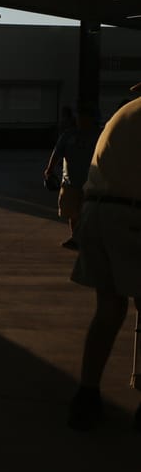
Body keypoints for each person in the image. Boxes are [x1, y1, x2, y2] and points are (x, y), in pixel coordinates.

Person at [66, 84, 141, 432]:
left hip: (96, 214)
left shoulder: (123, 114)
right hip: (131, 217)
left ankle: (87, 394)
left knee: (109, 310)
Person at [43, 103, 100, 250]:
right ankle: (76, 237)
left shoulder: (98, 136)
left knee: (86, 212)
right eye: (80, 117)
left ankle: (84, 238)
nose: (81, 120)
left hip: (91, 181)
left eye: (85, 117)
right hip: (70, 181)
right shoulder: (69, 135)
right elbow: (57, 152)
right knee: (72, 212)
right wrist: (49, 169)